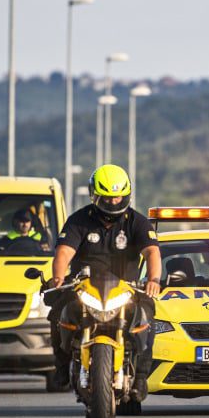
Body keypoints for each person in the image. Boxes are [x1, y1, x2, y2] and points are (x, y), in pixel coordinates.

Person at [47, 164, 162, 395]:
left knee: (147, 317)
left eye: (118, 197)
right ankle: (60, 367)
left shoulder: (137, 222)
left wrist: (154, 279)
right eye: (107, 198)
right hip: (85, 286)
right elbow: (64, 252)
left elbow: (152, 252)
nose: (113, 203)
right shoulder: (79, 220)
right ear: (95, 195)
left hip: (126, 289)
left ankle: (140, 378)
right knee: (57, 310)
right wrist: (58, 277)